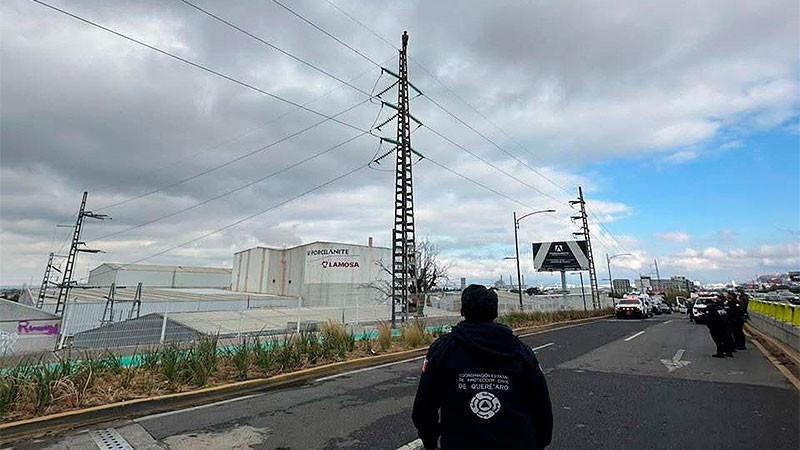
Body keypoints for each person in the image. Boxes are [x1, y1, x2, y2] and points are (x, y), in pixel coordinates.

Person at [412, 284, 553, 450]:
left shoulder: (443, 350)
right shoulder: (521, 351)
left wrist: (430, 442)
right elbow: (541, 406)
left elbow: (424, 407)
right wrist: (540, 442)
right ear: (495, 312)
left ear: (462, 311)